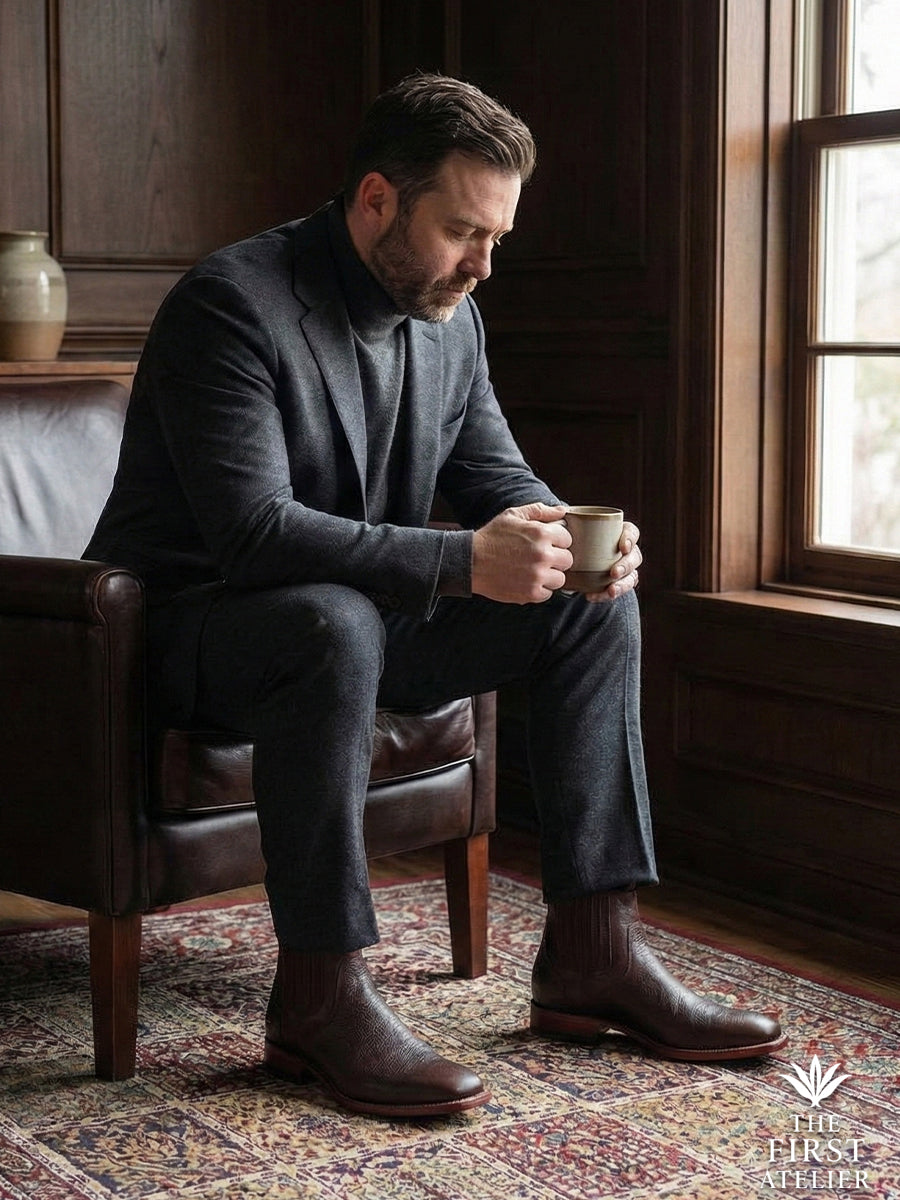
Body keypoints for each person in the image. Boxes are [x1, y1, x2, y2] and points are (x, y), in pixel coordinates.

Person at [84, 73, 786, 1118]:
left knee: (586, 603)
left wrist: (574, 541)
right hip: (189, 633)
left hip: (361, 626)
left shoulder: (449, 319)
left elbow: (500, 481)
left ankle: (593, 953)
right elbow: (254, 531)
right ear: (377, 200)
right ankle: (319, 999)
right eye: (463, 231)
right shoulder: (232, 303)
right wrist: (463, 564)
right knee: (331, 619)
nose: (484, 264)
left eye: (496, 236)